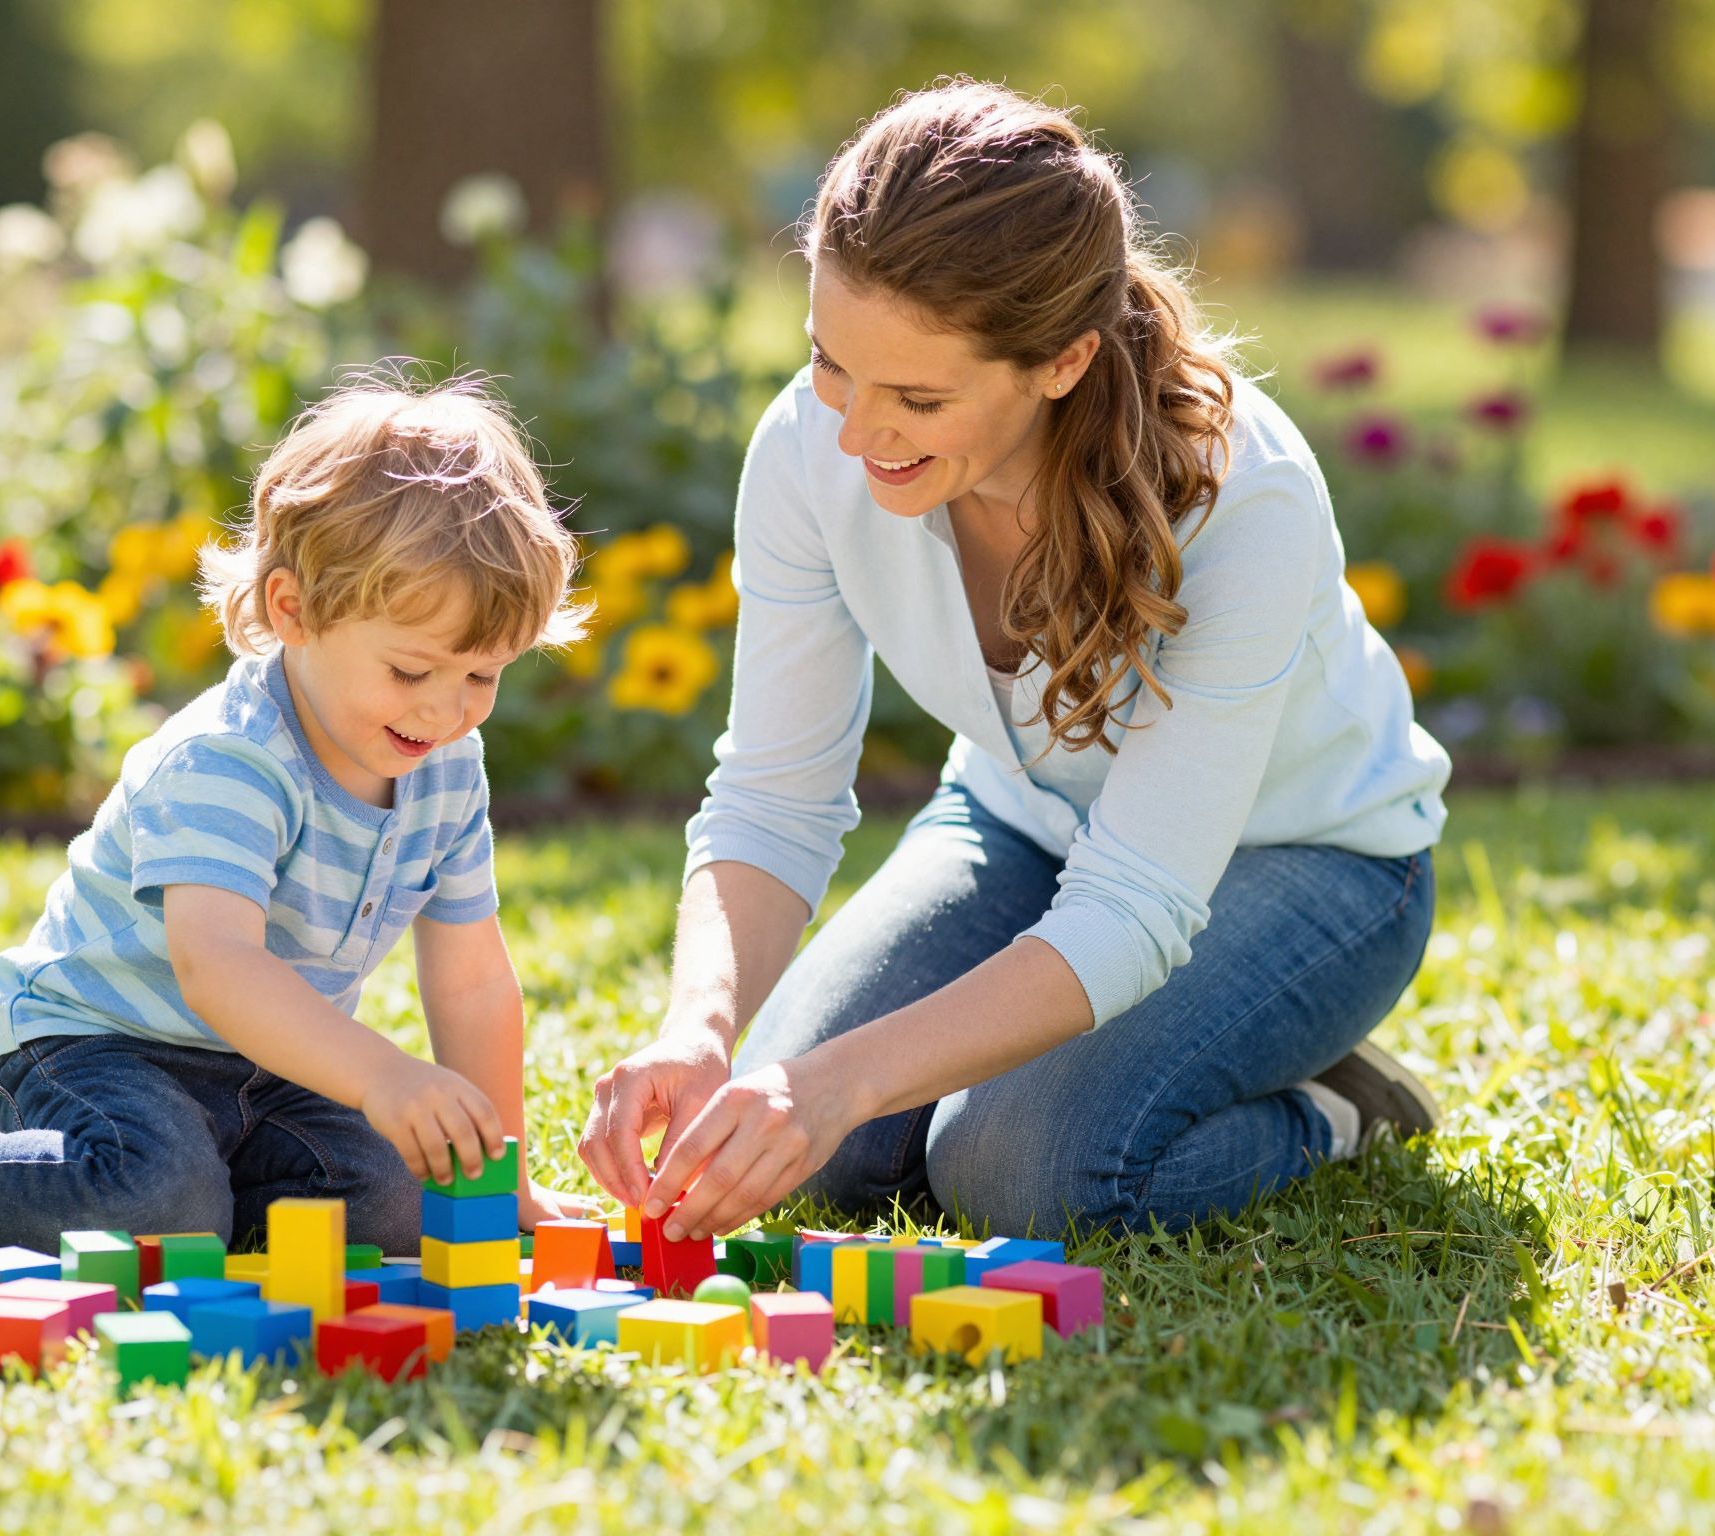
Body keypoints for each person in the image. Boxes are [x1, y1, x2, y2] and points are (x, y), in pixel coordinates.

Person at [578, 80, 1451, 1246]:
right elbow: (772, 795)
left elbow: (1134, 904)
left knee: (1012, 1171)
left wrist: (842, 1079)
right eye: (830, 363)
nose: (851, 433)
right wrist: (700, 1023)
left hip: (1313, 865)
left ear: (1060, 360)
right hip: (1021, 825)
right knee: (806, 1156)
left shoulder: (1244, 498)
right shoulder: (809, 445)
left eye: (917, 395)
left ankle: (1330, 1107)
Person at [0, 374, 599, 1256]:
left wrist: (508, 1176)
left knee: (398, 1207)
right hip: (103, 1047)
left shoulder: (447, 768)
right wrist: (380, 1073)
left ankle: (209, 1204)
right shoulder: (232, 758)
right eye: (411, 673)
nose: (445, 711)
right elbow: (217, 967)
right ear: (292, 609)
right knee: (156, 1200)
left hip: (270, 1067)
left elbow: (473, 981)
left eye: (483, 676)